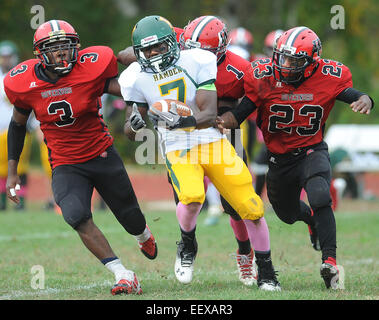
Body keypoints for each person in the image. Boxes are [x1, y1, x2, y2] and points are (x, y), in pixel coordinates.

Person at [120, 15, 280, 291]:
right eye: (147, 50)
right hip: (176, 146)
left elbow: (212, 110)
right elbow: (130, 124)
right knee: (191, 197)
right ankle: (187, 245)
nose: (154, 54)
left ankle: (265, 270)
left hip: (213, 136)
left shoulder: (200, 61)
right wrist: (134, 125)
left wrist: (220, 117)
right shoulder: (134, 75)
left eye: (158, 47)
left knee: (249, 206)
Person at [4, 19, 157, 295]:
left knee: (130, 216)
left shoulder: (90, 69)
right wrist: (12, 171)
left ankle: (143, 235)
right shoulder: (24, 82)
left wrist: (138, 109)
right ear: (41, 53)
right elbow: (17, 125)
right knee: (75, 215)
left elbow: (129, 90)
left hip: (102, 154)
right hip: (65, 163)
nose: (62, 54)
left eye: (66, 47)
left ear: (76, 48)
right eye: (55, 49)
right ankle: (122, 273)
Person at [217, 26, 374, 289]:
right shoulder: (264, 76)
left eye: (293, 60)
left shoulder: (329, 76)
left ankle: (330, 261)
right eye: (282, 56)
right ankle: (310, 221)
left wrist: (366, 99)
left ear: (312, 63)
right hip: (279, 159)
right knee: (287, 214)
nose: (284, 64)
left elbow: (354, 94)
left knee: (321, 195)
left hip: (312, 150)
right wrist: (216, 122)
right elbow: (239, 115)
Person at [178, 16, 278, 289]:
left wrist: (234, 114)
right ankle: (187, 246)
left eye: (203, 51)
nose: (194, 55)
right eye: (190, 47)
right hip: (182, 133)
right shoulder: (177, 42)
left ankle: (245, 251)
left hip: (224, 131)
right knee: (186, 199)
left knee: (234, 204)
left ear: (221, 50)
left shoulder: (240, 67)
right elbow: (139, 48)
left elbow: (259, 94)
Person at [0, 40, 39, 211]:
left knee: (20, 166)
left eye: (8, 57)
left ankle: (20, 199)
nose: (5, 60)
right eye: (3, 57)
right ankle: (2, 200)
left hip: (18, 128)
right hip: (0, 128)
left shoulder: (21, 76)